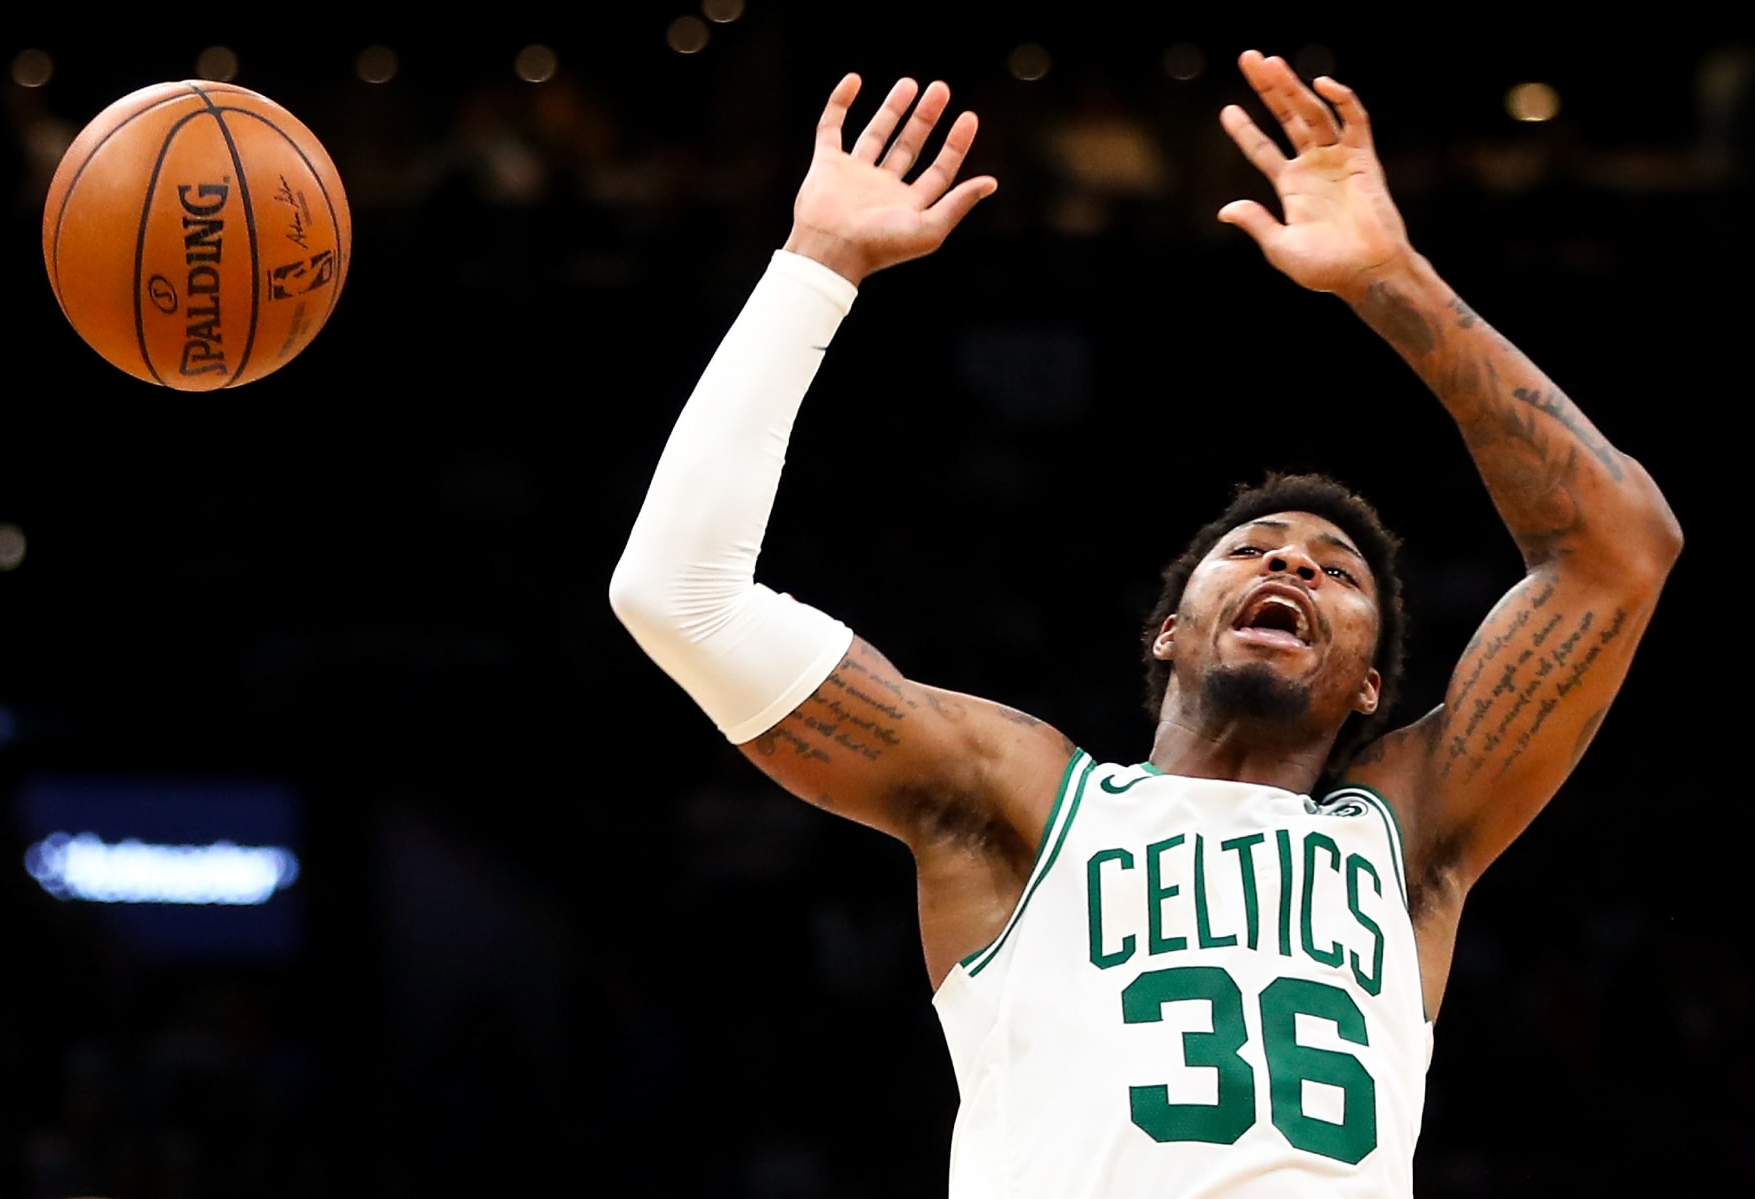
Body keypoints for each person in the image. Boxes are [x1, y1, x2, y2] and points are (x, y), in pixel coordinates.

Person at [609, 50, 1680, 1197]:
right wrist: (816, 266)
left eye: (1338, 570)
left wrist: (1393, 281)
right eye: (1254, 550)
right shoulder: (1021, 802)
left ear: (1371, 685)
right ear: (1168, 630)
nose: (1292, 562)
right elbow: (679, 596)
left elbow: (1621, 549)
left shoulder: (1407, 838)